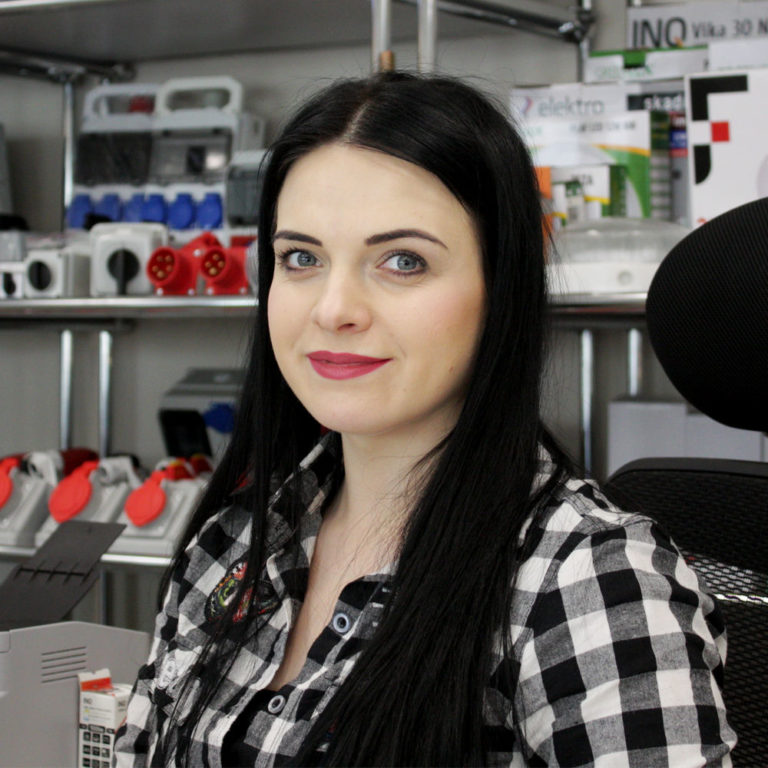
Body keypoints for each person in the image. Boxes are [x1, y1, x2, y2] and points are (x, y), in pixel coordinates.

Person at [115, 71, 735, 767]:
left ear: (501, 285)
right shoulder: (234, 539)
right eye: (301, 258)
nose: (333, 309)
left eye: (403, 261)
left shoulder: (590, 582)